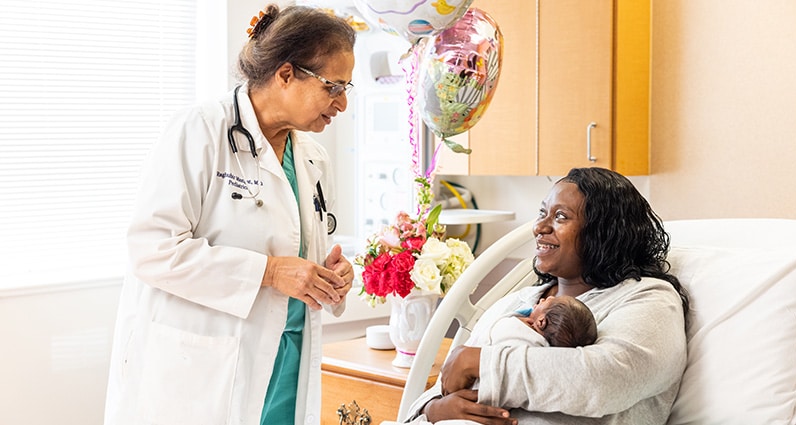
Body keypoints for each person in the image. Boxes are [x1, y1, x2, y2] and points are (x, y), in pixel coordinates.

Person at [103, 5, 356, 425]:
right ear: (286, 74)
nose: (343, 103)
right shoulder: (199, 131)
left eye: (348, 88)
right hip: (202, 366)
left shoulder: (312, 157)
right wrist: (271, 272)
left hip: (284, 357)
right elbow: (151, 249)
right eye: (333, 87)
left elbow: (300, 254)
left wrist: (331, 276)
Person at [403, 167, 690, 425]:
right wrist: (435, 410)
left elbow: (605, 379)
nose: (539, 228)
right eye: (543, 213)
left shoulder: (648, 299)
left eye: (561, 216)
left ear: (604, 233)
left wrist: (480, 362)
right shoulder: (517, 301)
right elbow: (448, 379)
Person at [487, 295, 597, 349]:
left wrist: (517, 320)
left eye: (547, 301)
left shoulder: (515, 328)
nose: (541, 300)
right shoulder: (544, 350)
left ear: (541, 321)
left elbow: (498, 327)